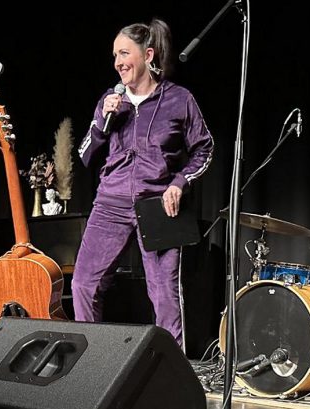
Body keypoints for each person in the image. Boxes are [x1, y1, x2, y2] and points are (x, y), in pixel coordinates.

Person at [72, 19, 214, 348]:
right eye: (114, 56)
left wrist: (180, 181)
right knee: (83, 284)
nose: (118, 62)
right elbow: (85, 155)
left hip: (159, 205)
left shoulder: (178, 99)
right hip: (110, 203)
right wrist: (100, 124)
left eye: (124, 53)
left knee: (164, 295)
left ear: (147, 54)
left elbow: (204, 148)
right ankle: (90, 367)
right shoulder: (110, 100)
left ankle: (170, 374)